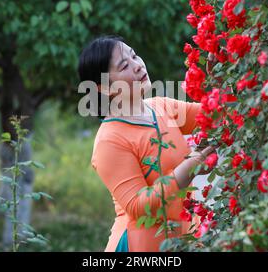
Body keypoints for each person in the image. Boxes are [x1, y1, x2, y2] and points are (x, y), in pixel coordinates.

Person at [78, 35, 215, 252]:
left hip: (183, 239)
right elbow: (138, 206)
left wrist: (216, 78)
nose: (137, 66)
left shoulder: (160, 107)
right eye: (124, 65)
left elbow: (215, 116)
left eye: (134, 55)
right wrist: (191, 165)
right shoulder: (110, 140)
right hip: (140, 246)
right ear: (104, 87)